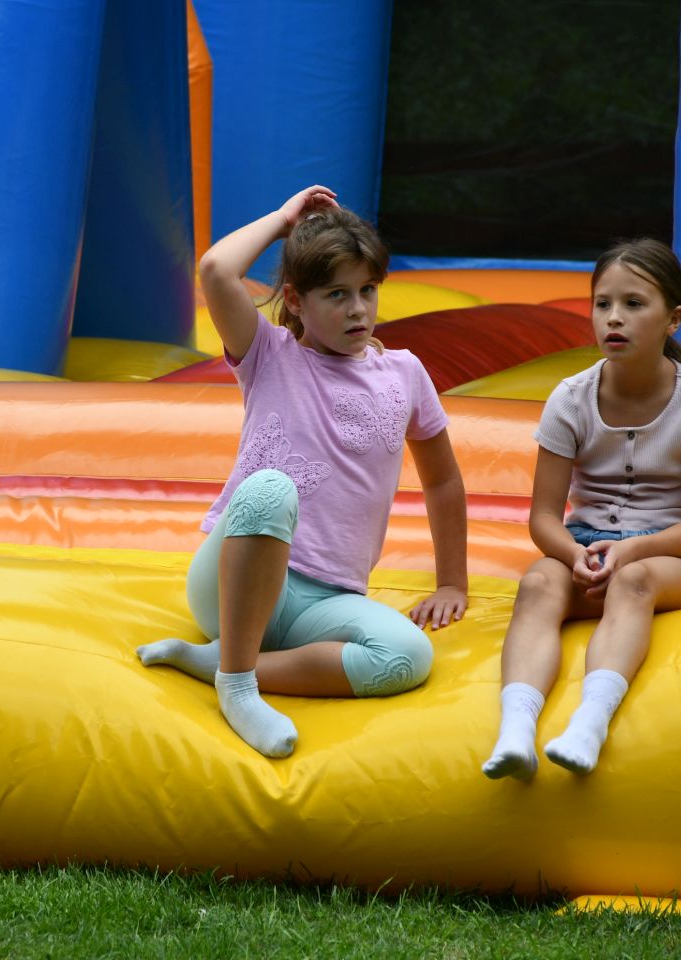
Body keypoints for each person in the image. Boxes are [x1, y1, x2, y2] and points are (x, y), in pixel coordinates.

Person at [137, 185, 468, 758]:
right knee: (270, 487)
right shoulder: (269, 355)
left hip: (324, 604)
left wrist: (451, 582)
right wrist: (284, 219)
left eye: (367, 290)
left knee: (406, 656)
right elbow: (216, 269)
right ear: (294, 299)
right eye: (336, 294)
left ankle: (226, 662)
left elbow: (442, 480)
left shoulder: (405, 373)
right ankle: (238, 689)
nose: (358, 308)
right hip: (233, 582)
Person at [481, 237, 681, 780]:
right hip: (585, 542)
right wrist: (572, 556)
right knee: (536, 585)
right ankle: (515, 732)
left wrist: (632, 550)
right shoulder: (570, 398)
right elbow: (544, 518)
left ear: (673, 319)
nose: (613, 319)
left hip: (669, 557)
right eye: (603, 304)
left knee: (633, 581)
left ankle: (589, 724)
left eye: (633, 304)